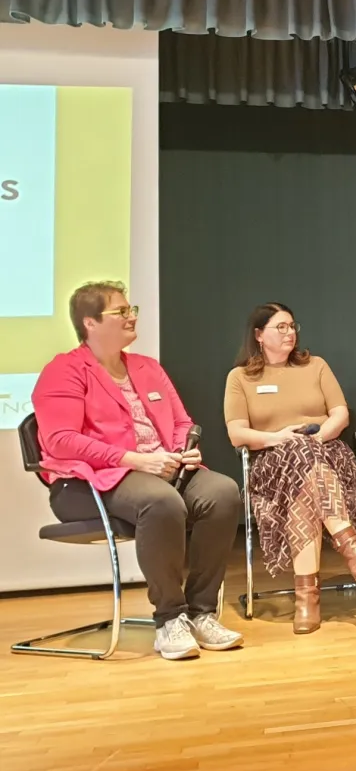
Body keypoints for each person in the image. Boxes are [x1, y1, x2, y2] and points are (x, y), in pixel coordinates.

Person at [32, 281, 244, 661]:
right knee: (161, 501)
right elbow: (61, 439)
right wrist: (133, 459)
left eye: (132, 310)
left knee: (222, 492)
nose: (132, 317)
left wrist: (183, 451)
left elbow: (181, 421)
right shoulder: (63, 370)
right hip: (88, 483)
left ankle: (201, 613)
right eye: (121, 311)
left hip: (162, 470)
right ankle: (169, 620)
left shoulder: (147, 368)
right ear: (90, 323)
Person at [224, 302, 356, 635]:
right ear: (258, 335)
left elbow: (340, 413)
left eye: (293, 326)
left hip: (327, 455)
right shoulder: (240, 378)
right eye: (280, 327)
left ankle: (306, 599)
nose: (289, 333)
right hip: (272, 462)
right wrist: (277, 438)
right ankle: (349, 545)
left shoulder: (316, 366)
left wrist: (319, 437)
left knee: (306, 474)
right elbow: (237, 433)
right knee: (300, 460)